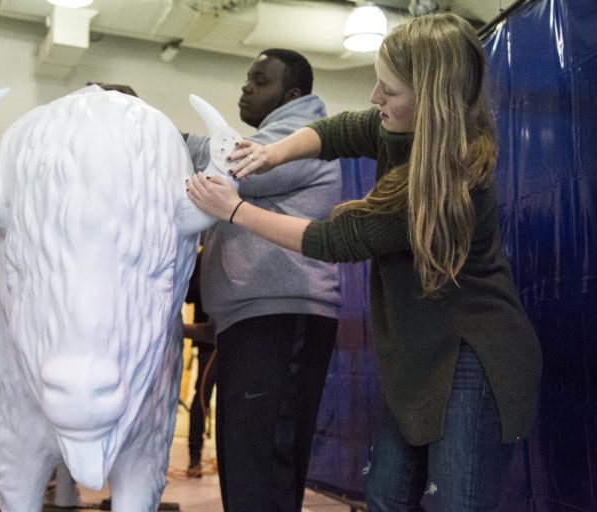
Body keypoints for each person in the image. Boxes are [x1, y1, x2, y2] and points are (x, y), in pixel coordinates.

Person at [187, 12, 542, 511]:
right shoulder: (400, 133)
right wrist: (270, 154)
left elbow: (336, 240)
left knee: (456, 502)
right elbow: (339, 130)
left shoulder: (447, 180)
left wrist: (236, 210)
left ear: (431, 99)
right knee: (385, 496)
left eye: (389, 90)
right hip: (420, 357)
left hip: (470, 357)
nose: (375, 98)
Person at [97, 48, 342, 511]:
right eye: (247, 79)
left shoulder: (301, 138)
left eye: (260, 81)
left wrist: (146, 123)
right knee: (247, 463)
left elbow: (237, 163)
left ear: (292, 94)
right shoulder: (280, 137)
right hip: (257, 319)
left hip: (279, 316)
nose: (246, 88)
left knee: (261, 467)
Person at [182, 250, 217, 479]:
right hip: (207, 339)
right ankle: (194, 458)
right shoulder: (203, 257)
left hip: (230, 337)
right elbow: (189, 295)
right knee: (201, 398)